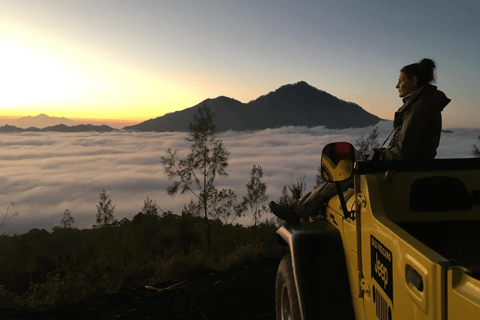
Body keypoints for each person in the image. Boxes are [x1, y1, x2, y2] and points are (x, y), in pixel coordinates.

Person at [269, 58, 451, 222]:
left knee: (342, 178)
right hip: (408, 168)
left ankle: (297, 210)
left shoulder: (419, 108)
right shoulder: (422, 105)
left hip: (403, 170)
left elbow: (403, 152)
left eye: (401, 81)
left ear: (413, 81)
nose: (397, 86)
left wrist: (377, 156)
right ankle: (298, 208)